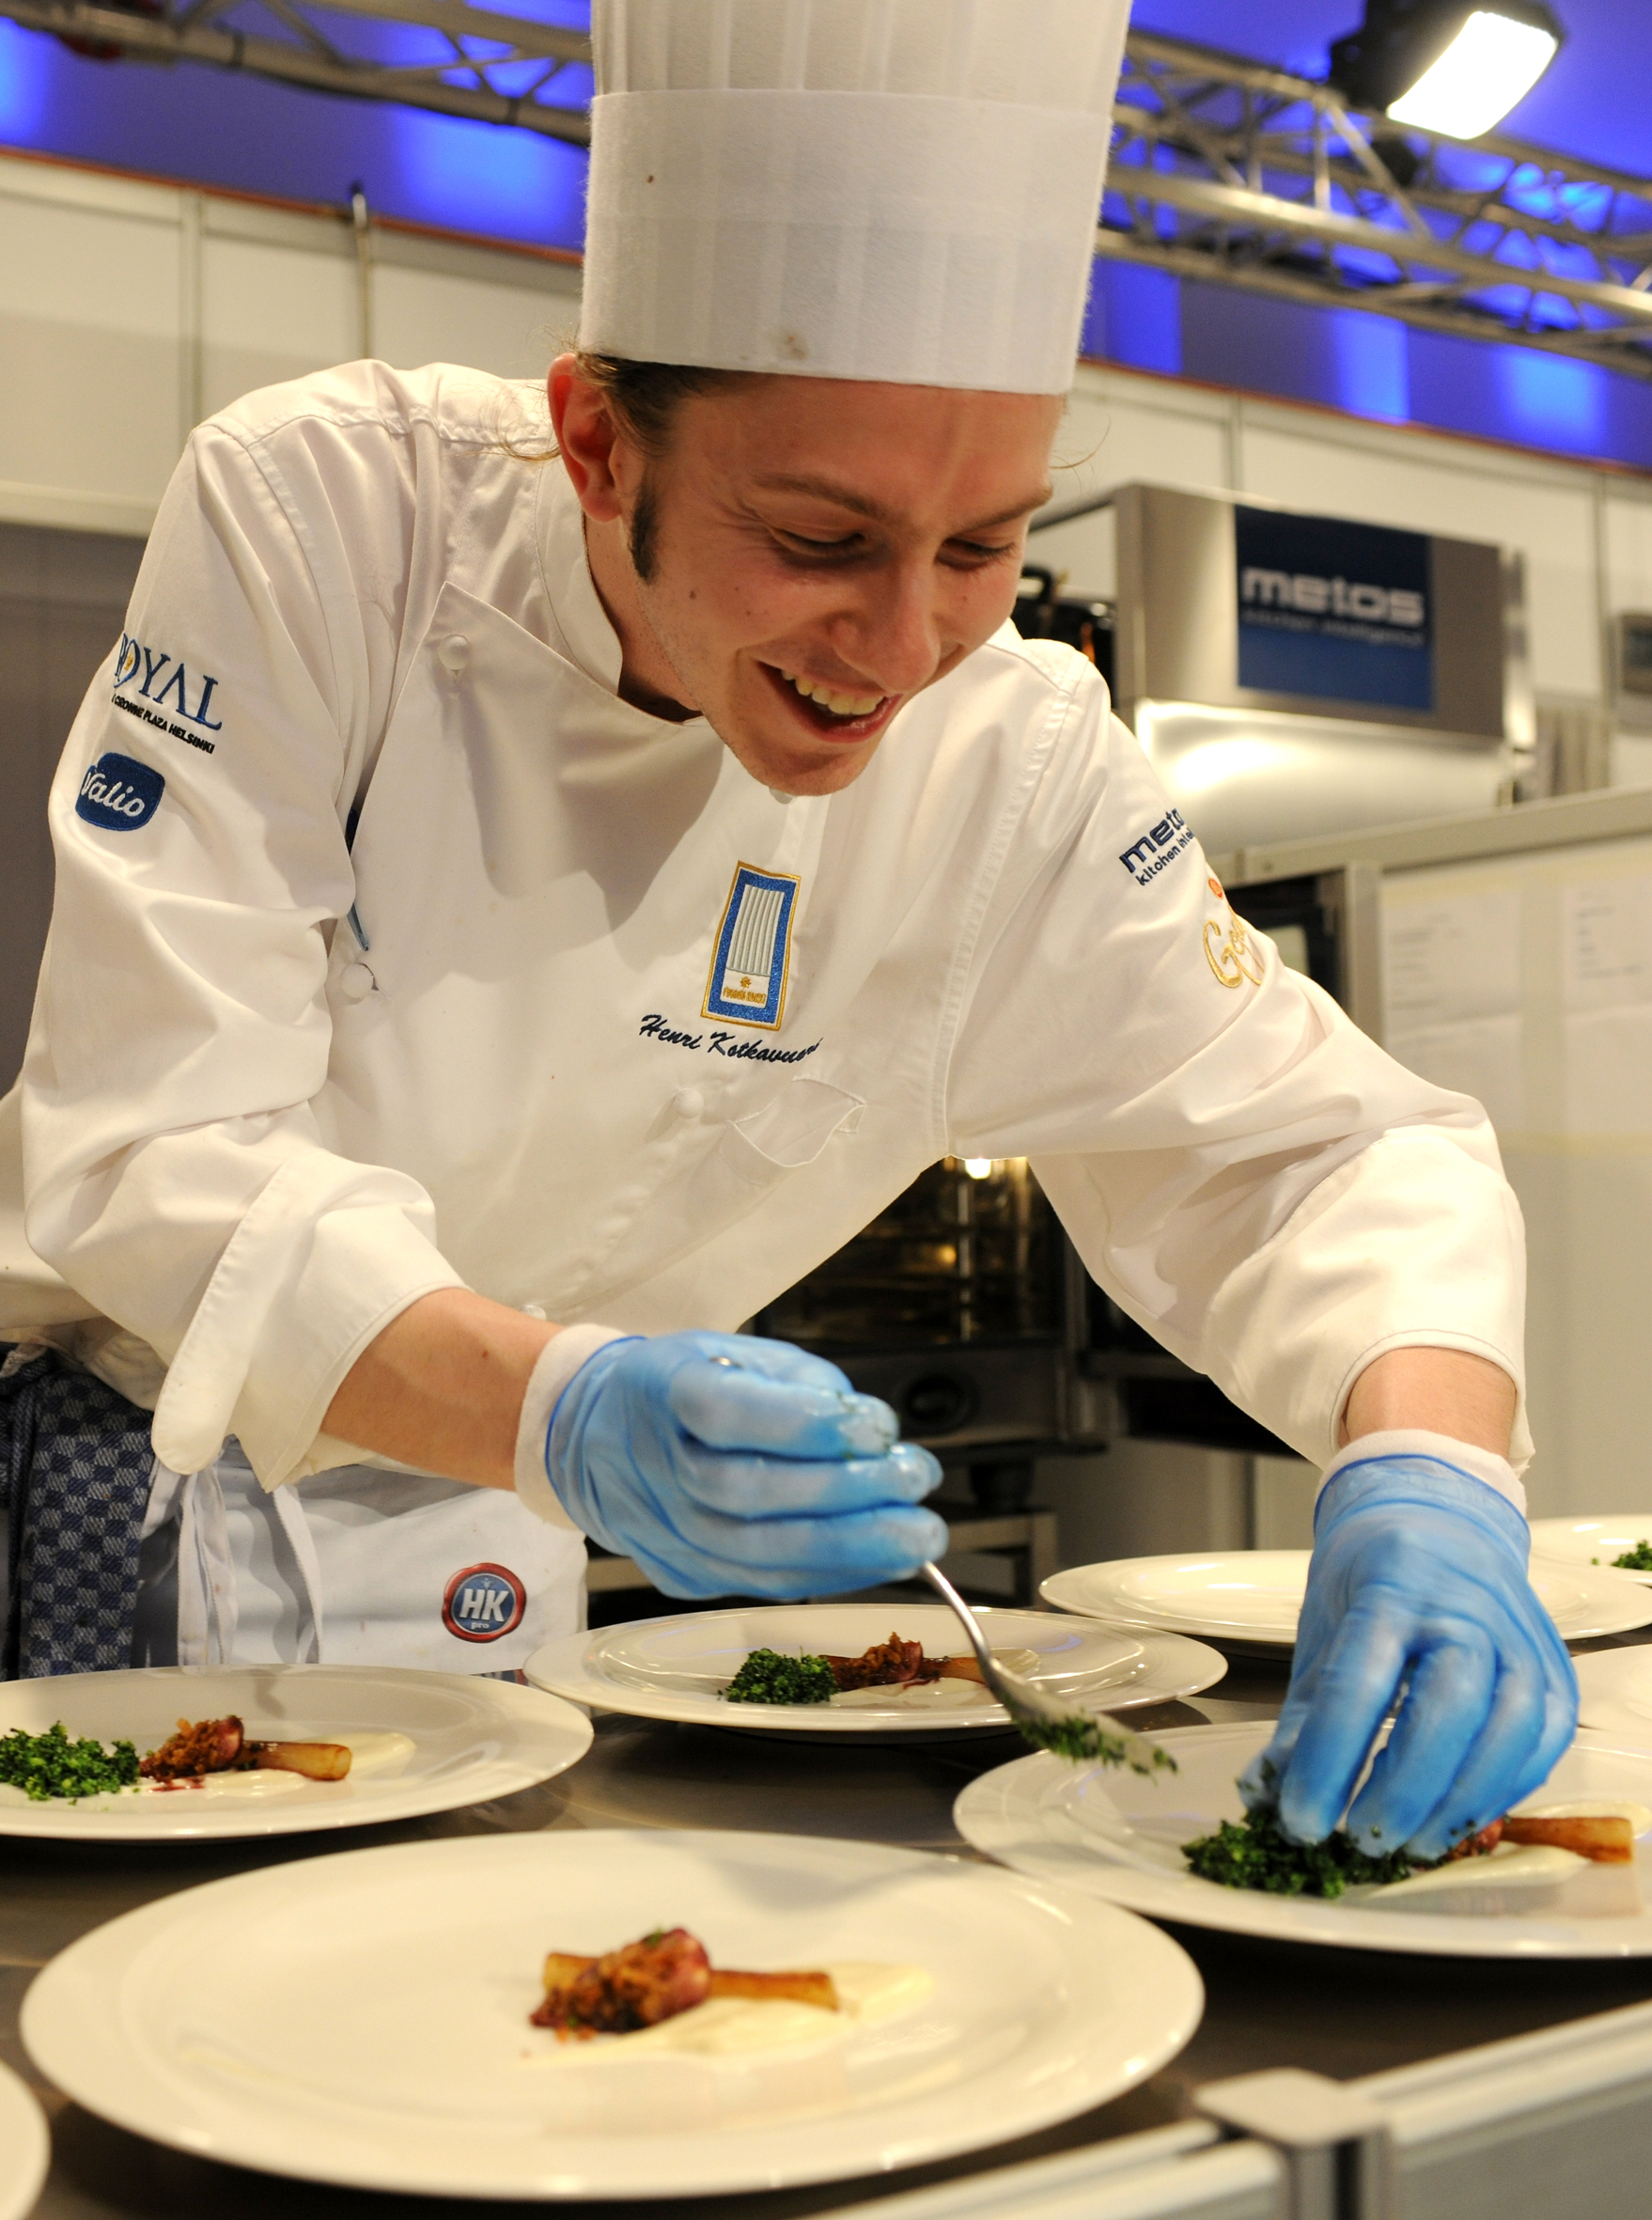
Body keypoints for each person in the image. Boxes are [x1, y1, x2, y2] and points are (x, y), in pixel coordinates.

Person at [0, 0, 1573, 1860]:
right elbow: (155, 1135)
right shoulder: (334, 520)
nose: (903, 648)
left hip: (510, 1529)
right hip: (147, 1476)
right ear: (597, 444)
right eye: (823, 540)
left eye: (980, 547)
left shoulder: (1017, 754)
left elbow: (1319, 1149)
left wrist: (1428, 1468)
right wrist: (565, 1405)